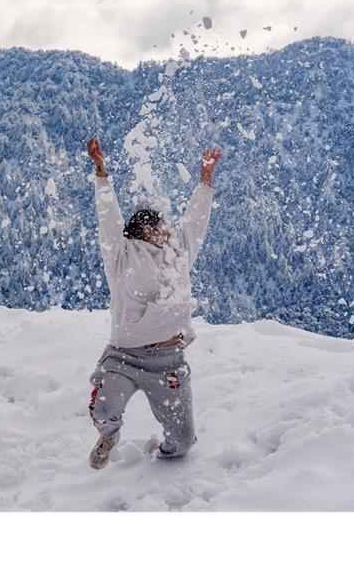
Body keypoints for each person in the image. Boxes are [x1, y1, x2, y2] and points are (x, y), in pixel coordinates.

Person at [84, 137, 222, 468]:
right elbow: (108, 217)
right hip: (124, 357)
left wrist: (206, 177)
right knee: (104, 408)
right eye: (161, 224)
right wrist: (101, 171)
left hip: (169, 361)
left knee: (183, 442)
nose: (169, 228)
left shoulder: (179, 253)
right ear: (145, 230)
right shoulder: (120, 255)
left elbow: (196, 220)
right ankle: (111, 434)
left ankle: (156, 451)